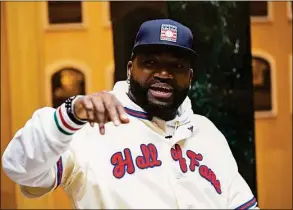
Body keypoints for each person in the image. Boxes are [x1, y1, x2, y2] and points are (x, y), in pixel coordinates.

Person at [2, 19, 258, 209]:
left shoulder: (208, 133)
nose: (163, 74)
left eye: (176, 66)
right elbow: (20, 168)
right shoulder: (88, 128)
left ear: (189, 77)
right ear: (129, 69)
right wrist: (70, 114)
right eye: (150, 63)